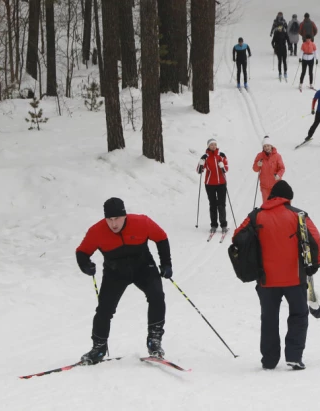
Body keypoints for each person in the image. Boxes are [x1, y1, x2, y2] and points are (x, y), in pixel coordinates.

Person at [233, 180, 320, 370]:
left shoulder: (256, 216)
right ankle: (294, 356)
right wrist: (314, 264)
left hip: (266, 280)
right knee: (298, 315)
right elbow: (315, 239)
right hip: (295, 277)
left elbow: (238, 235)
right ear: (288, 198)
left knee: (269, 318)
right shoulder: (298, 215)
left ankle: (269, 360)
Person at [76, 198, 173, 364]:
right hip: (115, 272)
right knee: (104, 309)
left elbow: (161, 238)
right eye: (110, 220)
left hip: (143, 267)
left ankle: (154, 341)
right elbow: (82, 252)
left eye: (117, 219)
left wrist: (166, 263)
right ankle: (98, 348)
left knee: (157, 296)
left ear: (125, 216)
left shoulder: (142, 222)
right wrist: (86, 266)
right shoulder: (97, 231)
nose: (114, 224)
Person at [197, 138, 229, 234]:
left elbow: (226, 168)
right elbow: (199, 170)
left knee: (221, 204)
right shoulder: (205, 157)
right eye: (211, 145)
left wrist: (222, 166)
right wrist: (201, 163)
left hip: (221, 183)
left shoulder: (221, 155)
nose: (213, 146)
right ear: (208, 146)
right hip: (210, 184)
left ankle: (223, 225)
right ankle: (214, 225)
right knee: (213, 204)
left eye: (215, 144)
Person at [252, 136, 286, 202]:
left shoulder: (277, 156)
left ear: (271, 146)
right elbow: (255, 169)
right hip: (264, 187)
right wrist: (257, 165)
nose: (266, 148)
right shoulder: (259, 156)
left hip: (276, 186)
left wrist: (279, 175)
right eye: (265, 146)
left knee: (276, 205)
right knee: (266, 205)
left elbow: (282, 168)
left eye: (268, 146)